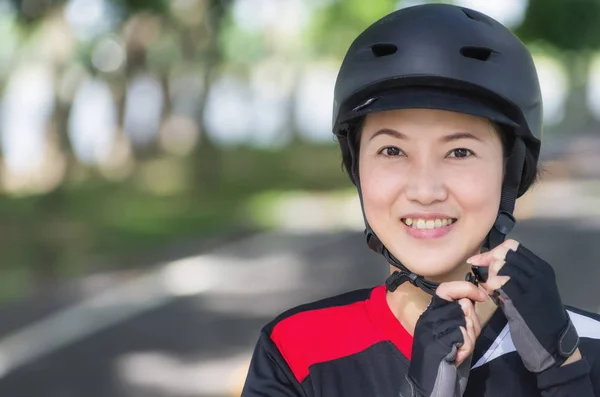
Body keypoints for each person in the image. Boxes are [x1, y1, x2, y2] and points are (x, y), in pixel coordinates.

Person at [240, 4, 600, 396]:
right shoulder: (296, 350)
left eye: (460, 152)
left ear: (510, 171)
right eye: (392, 151)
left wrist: (564, 369)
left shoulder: (590, 344)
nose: (425, 191)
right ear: (356, 167)